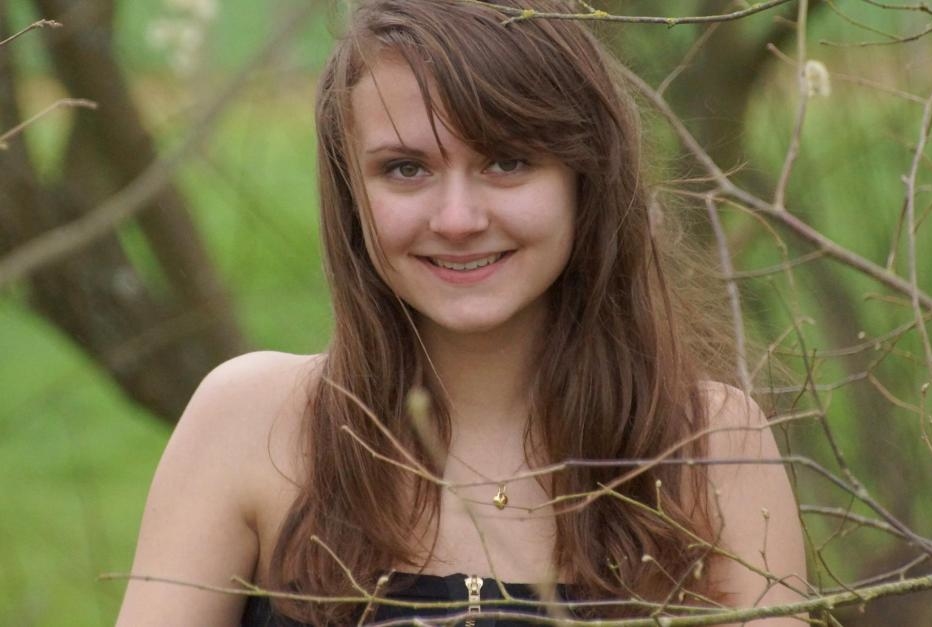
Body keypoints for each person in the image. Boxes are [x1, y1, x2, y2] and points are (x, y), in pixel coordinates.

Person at [115, 0, 806, 625]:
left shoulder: (709, 446)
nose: (457, 218)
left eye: (507, 161)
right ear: (352, 193)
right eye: (406, 169)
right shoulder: (251, 424)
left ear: (585, 179)